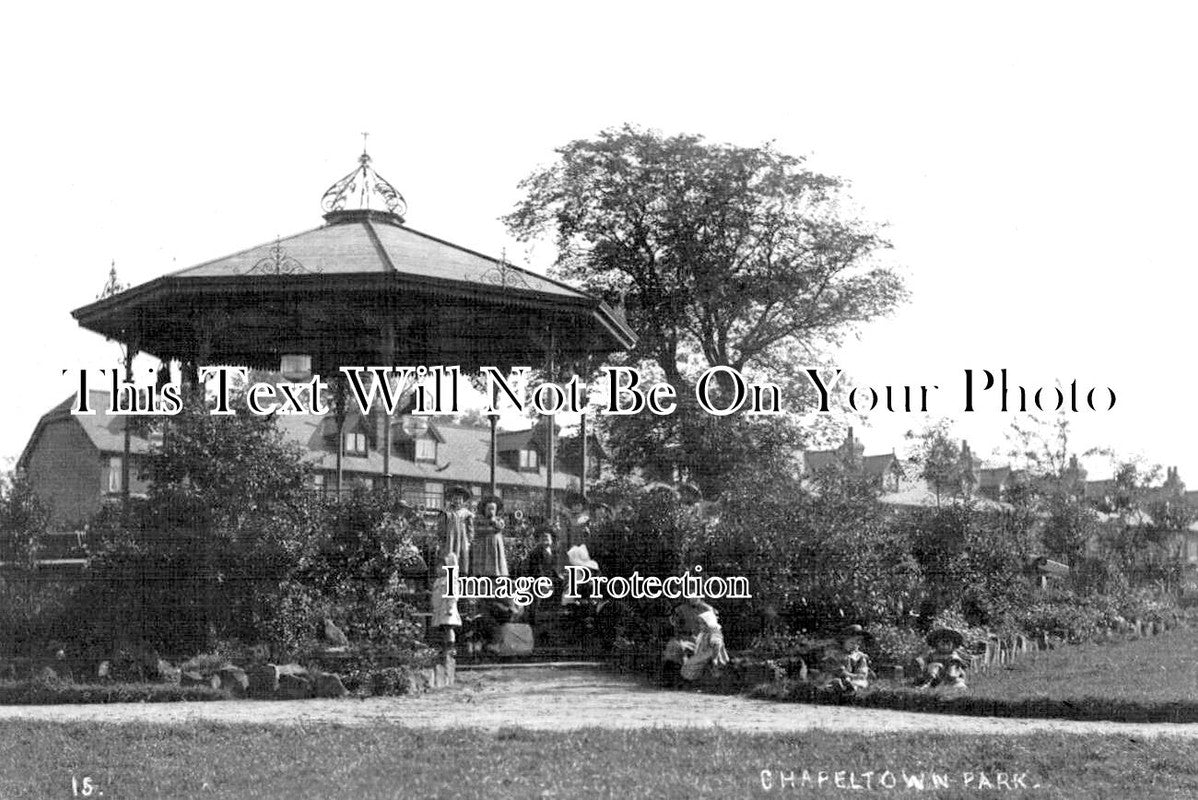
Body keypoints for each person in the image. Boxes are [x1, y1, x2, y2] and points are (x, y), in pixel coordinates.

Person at [678, 598, 730, 682]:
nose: (699, 625)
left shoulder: (713, 632)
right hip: (704, 651)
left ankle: (704, 679)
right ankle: (693, 678)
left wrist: (714, 658)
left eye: (702, 624)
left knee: (691, 663)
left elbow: (716, 645)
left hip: (711, 653)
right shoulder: (703, 633)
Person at [821, 624, 871, 694]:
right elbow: (837, 668)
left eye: (858, 644)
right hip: (838, 675)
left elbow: (862, 668)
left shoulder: (859, 656)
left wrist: (860, 674)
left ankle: (851, 688)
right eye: (852, 643)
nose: (854, 646)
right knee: (831, 679)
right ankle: (835, 687)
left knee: (861, 682)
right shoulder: (837, 653)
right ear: (843, 641)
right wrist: (849, 675)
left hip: (853, 678)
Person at [438, 486, 474, 574]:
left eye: (460, 499)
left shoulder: (466, 513)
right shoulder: (447, 512)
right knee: (449, 556)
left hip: (462, 538)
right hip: (449, 539)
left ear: (463, 500)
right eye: (455, 499)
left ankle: (462, 578)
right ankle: (449, 577)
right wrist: (442, 538)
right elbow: (441, 527)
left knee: (462, 558)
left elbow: (470, 528)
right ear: (451, 499)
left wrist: (469, 540)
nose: (457, 501)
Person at [472, 496, 509, 578]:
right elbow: (476, 529)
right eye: (489, 509)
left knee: (495, 558)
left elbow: (500, 527)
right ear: (484, 509)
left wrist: (494, 521)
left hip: (495, 543)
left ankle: (497, 573)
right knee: (483, 558)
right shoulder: (479, 520)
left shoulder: (498, 520)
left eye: (493, 509)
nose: (491, 511)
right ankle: (481, 573)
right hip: (483, 543)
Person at [431, 552, 462, 649]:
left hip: (447, 609)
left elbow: (453, 594)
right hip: (439, 609)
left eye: (440, 567)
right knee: (443, 629)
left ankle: (450, 647)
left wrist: (450, 607)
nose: (437, 569)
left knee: (448, 627)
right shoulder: (438, 581)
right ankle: (445, 647)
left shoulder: (451, 580)